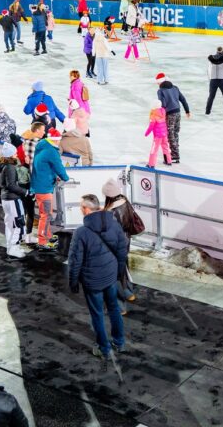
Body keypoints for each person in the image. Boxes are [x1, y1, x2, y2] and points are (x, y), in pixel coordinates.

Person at [67, 194, 128, 358]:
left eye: (81, 207)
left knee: (97, 314)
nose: (81, 210)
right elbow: (122, 251)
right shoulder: (114, 224)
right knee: (114, 308)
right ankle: (119, 342)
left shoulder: (81, 232)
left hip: (92, 281)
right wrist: (118, 273)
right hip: (110, 276)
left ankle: (104, 349)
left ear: (86, 209)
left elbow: (75, 261)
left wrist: (73, 283)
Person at [102, 178, 141, 312]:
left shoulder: (110, 212)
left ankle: (119, 305)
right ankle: (129, 292)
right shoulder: (126, 202)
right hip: (125, 241)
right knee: (123, 266)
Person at [31, 129, 70, 250]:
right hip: (44, 188)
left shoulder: (42, 145)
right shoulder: (51, 151)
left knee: (46, 213)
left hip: (40, 184)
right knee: (46, 215)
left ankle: (47, 235)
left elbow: (46, 166)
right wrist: (65, 178)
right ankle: (42, 242)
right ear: (55, 140)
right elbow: (59, 167)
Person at [0, 143, 31, 259]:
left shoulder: (1, 166)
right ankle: (14, 247)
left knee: (10, 224)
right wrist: (25, 192)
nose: (17, 154)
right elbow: (11, 185)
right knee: (20, 224)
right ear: (10, 155)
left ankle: (10, 246)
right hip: (13, 199)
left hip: (6, 199)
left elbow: (0, 184)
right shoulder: (10, 167)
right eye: (15, 153)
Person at [155, 73, 190, 163]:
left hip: (170, 114)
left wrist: (159, 114)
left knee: (170, 135)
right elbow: (183, 99)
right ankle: (176, 155)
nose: (157, 85)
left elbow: (163, 104)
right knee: (175, 133)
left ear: (160, 82)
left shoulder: (160, 91)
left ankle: (174, 155)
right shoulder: (175, 88)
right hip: (178, 112)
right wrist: (187, 111)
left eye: (158, 83)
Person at [203, 47, 223, 116]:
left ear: (216, 51)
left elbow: (208, 70)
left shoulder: (211, 59)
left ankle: (207, 112)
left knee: (211, 97)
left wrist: (210, 80)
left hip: (213, 80)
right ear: (222, 51)